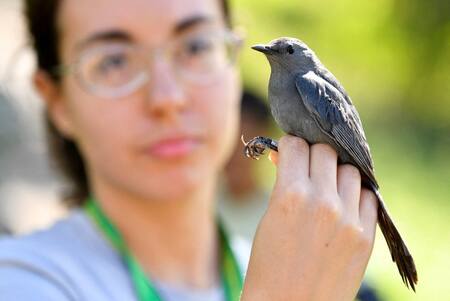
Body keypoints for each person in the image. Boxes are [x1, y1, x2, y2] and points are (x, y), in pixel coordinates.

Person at [0, 0, 379, 300]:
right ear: (56, 101)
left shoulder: (304, 271)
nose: (168, 97)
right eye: (114, 61)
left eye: (196, 46)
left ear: (233, 66)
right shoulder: (23, 284)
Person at [218, 89, 272, 242]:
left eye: (245, 141)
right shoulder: (198, 207)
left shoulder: (277, 211)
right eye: (230, 140)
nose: (235, 152)